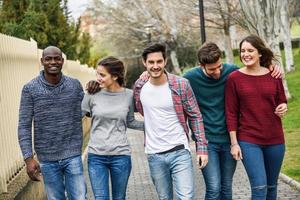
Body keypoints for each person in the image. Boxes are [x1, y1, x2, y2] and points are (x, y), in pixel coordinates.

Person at [183, 42, 283, 200]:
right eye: (211, 69)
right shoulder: (190, 78)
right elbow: (169, 83)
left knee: (226, 187)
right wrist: (146, 75)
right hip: (207, 141)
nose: (217, 72)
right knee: (214, 187)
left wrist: (271, 67)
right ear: (202, 65)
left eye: (219, 67)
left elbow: (254, 69)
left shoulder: (232, 71)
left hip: (230, 139)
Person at [133, 43, 208, 200]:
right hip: (154, 154)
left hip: (180, 151)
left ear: (165, 61)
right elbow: (141, 111)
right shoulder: (140, 86)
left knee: (186, 197)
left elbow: (195, 116)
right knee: (164, 197)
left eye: (159, 61)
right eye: (151, 62)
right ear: (144, 62)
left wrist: (201, 148)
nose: (155, 66)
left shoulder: (181, 84)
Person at [18, 46, 87, 200]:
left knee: (80, 197)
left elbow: (88, 109)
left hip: (73, 154)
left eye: (57, 58)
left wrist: (97, 89)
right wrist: (28, 158)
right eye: (48, 59)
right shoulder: (30, 89)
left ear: (62, 61)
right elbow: (24, 125)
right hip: (47, 159)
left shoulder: (74, 85)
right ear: (42, 61)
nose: (53, 62)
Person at [225, 35, 288, 200]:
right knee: (259, 187)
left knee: (272, 187)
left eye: (250, 50)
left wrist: (283, 107)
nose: (245, 54)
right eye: (242, 51)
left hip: (275, 139)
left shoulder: (273, 75)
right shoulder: (234, 78)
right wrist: (234, 143)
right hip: (249, 140)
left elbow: (281, 100)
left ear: (260, 53)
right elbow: (231, 112)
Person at [82, 56, 144, 200]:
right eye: (97, 74)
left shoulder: (128, 95)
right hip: (96, 156)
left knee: (119, 197)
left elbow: (130, 122)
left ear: (115, 76)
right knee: (100, 198)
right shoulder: (91, 94)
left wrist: (153, 126)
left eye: (102, 75)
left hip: (121, 156)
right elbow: (77, 116)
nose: (98, 78)